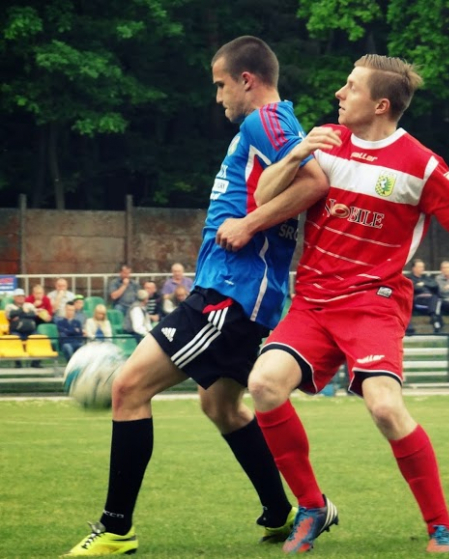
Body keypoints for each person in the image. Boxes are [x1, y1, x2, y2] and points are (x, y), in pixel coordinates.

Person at [64, 36, 329, 557]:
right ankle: (282, 512)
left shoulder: (268, 121)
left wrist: (250, 222)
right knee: (221, 404)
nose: (218, 97)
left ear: (246, 79)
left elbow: (314, 181)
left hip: (229, 293)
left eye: (221, 84)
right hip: (236, 292)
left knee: (128, 388)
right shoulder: (270, 128)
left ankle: (116, 528)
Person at [240, 54, 449, 554]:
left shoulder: (420, 164)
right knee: (263, 384)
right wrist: (297, 153)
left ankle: (441, 527)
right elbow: (263, 197)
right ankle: (313, 507)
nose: (340, 93)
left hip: (373, 304)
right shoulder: (327, 140)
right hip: (313, 302)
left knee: (385, 407)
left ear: (380, 104)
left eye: (351, 87)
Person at [410, 259, 443, 333]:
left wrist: (424, 284)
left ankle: (434, 317)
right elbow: (414, 288)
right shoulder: (410, 279)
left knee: (435, 298)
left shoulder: (426, 278)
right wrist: (421, 286)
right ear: (413, 268)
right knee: (435, 301)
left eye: (422, 267)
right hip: (418, 302)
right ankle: (435, 319)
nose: (422, 269)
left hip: (430, 301)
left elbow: (435, 285)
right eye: (419, 267)